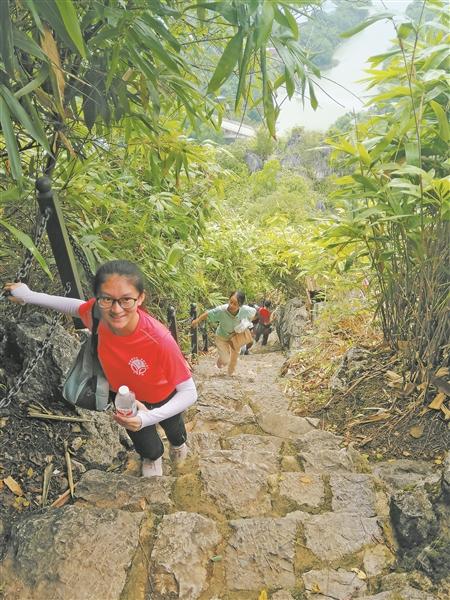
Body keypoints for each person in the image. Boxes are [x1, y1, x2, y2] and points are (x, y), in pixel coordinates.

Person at [3, 260, 197, 478]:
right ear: (98, 298)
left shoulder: (158, 339)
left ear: (140, 298)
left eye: (126, 300)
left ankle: (179, 446)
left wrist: (148, 418)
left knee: (175, 431)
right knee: (149, 448)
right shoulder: (98, 314)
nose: (116, 309)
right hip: (125, 398)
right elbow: (75, 307)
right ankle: (152, 458)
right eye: (107, 299)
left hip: (162, 394)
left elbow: (189, 392)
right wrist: (29, 296)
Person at [191, 291, 256, 376]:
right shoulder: (222, 310)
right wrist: (197, 320)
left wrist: (246, 323)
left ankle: (230, 374)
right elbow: (208, 313)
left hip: (236, 337)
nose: (231, 305)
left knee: (234, 357)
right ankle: (220, 362)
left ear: (240, 305)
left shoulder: (245, 310)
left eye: (235, 304)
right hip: (222, 337)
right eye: (231, 302)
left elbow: (254, 312)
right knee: (225, 360)